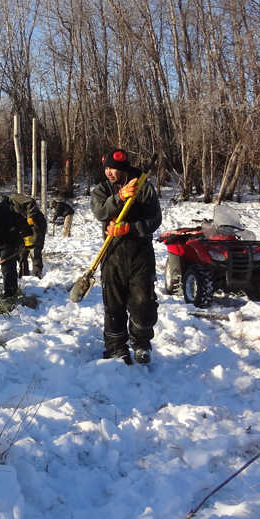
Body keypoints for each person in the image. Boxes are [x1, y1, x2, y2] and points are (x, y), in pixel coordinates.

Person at [90, 149, 162, 365]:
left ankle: (141, 344)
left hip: (140, 254)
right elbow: (100, 212)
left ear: (125, 169)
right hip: (112, 254)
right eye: (107, 168)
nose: (110, 172)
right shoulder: (102, 189)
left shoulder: (144, 187)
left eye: (114, 168)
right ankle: (116, 348)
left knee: (143, 303)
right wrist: (120, 197)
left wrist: (129, 228)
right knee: (113, 305)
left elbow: (155, 220)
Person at [0, 193, 47, 277]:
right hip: (25, 228)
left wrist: (31, 217)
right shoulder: (7, 210)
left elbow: (31, 202)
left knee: (35, 248)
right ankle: (24, 273)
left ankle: (37, 273)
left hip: (36, 223)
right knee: (22, 250)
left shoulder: (15, 198)